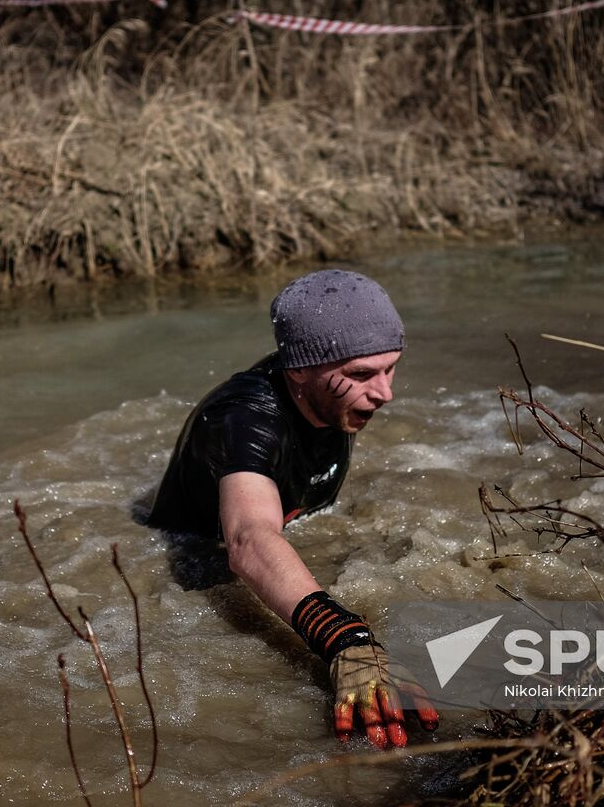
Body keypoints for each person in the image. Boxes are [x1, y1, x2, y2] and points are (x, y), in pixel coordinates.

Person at [148, 269, 439, 748]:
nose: (386, 393)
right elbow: (247, 540)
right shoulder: (247, 419)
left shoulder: (325, 391)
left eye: (391, 367)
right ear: (299, 370)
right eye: (363, 374)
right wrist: (346, 639)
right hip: (204, 562)